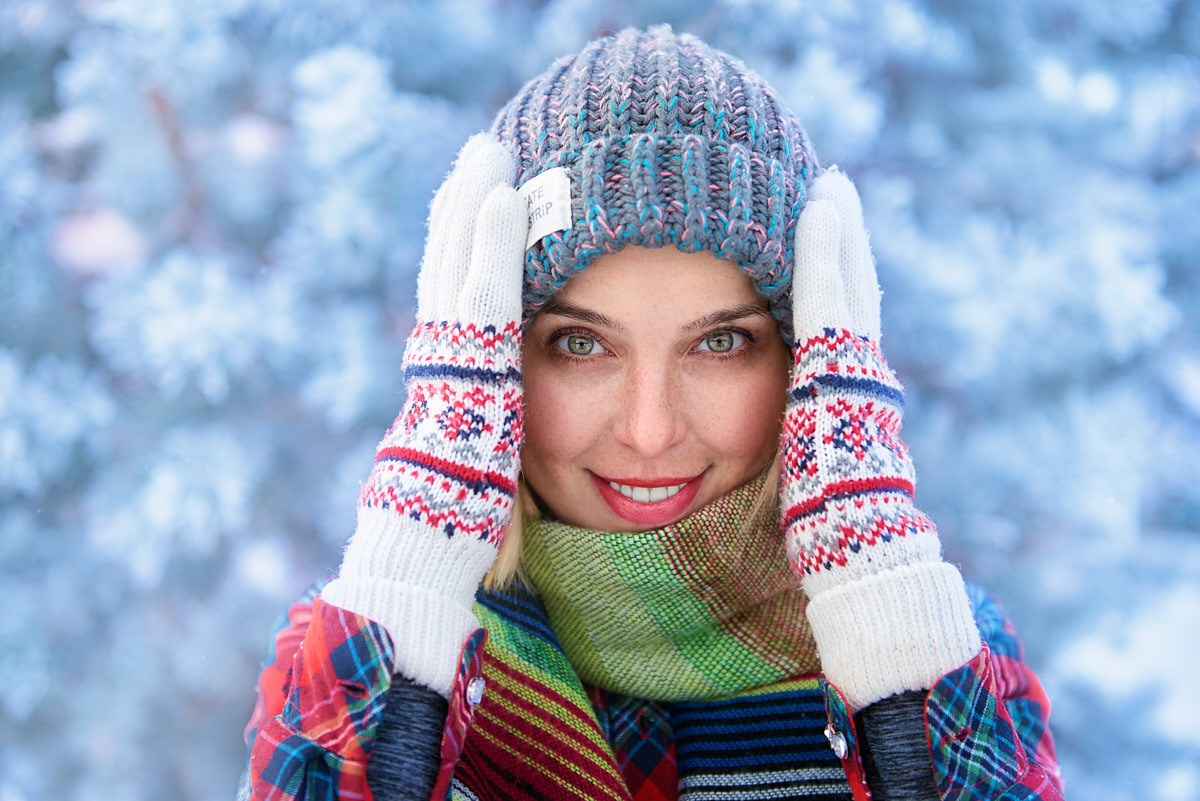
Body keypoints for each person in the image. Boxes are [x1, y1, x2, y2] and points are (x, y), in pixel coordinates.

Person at [240, 26, 1064, 801]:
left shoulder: (957, 664)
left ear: (808, 359)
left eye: (721, 344)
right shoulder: (350, 652)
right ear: (493, 360)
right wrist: (409, 586)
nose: (649, 429)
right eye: (579, 345)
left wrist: (891, 645)